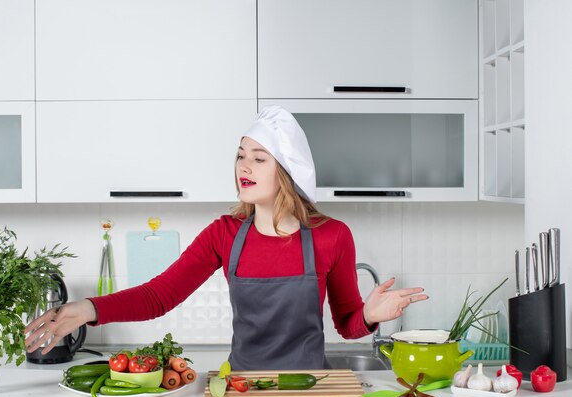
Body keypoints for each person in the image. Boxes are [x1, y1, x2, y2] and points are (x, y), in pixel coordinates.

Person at [25, 106, 428, 370]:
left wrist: (371, 316)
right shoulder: (225, 233)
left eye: (258, 158)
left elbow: (348, 326)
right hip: (240, 389)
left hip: (309, 391)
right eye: (240, 155)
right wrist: (90, 309)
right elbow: (159, 295)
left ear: (285, 171)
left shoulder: (332, 237)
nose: (243, 168)